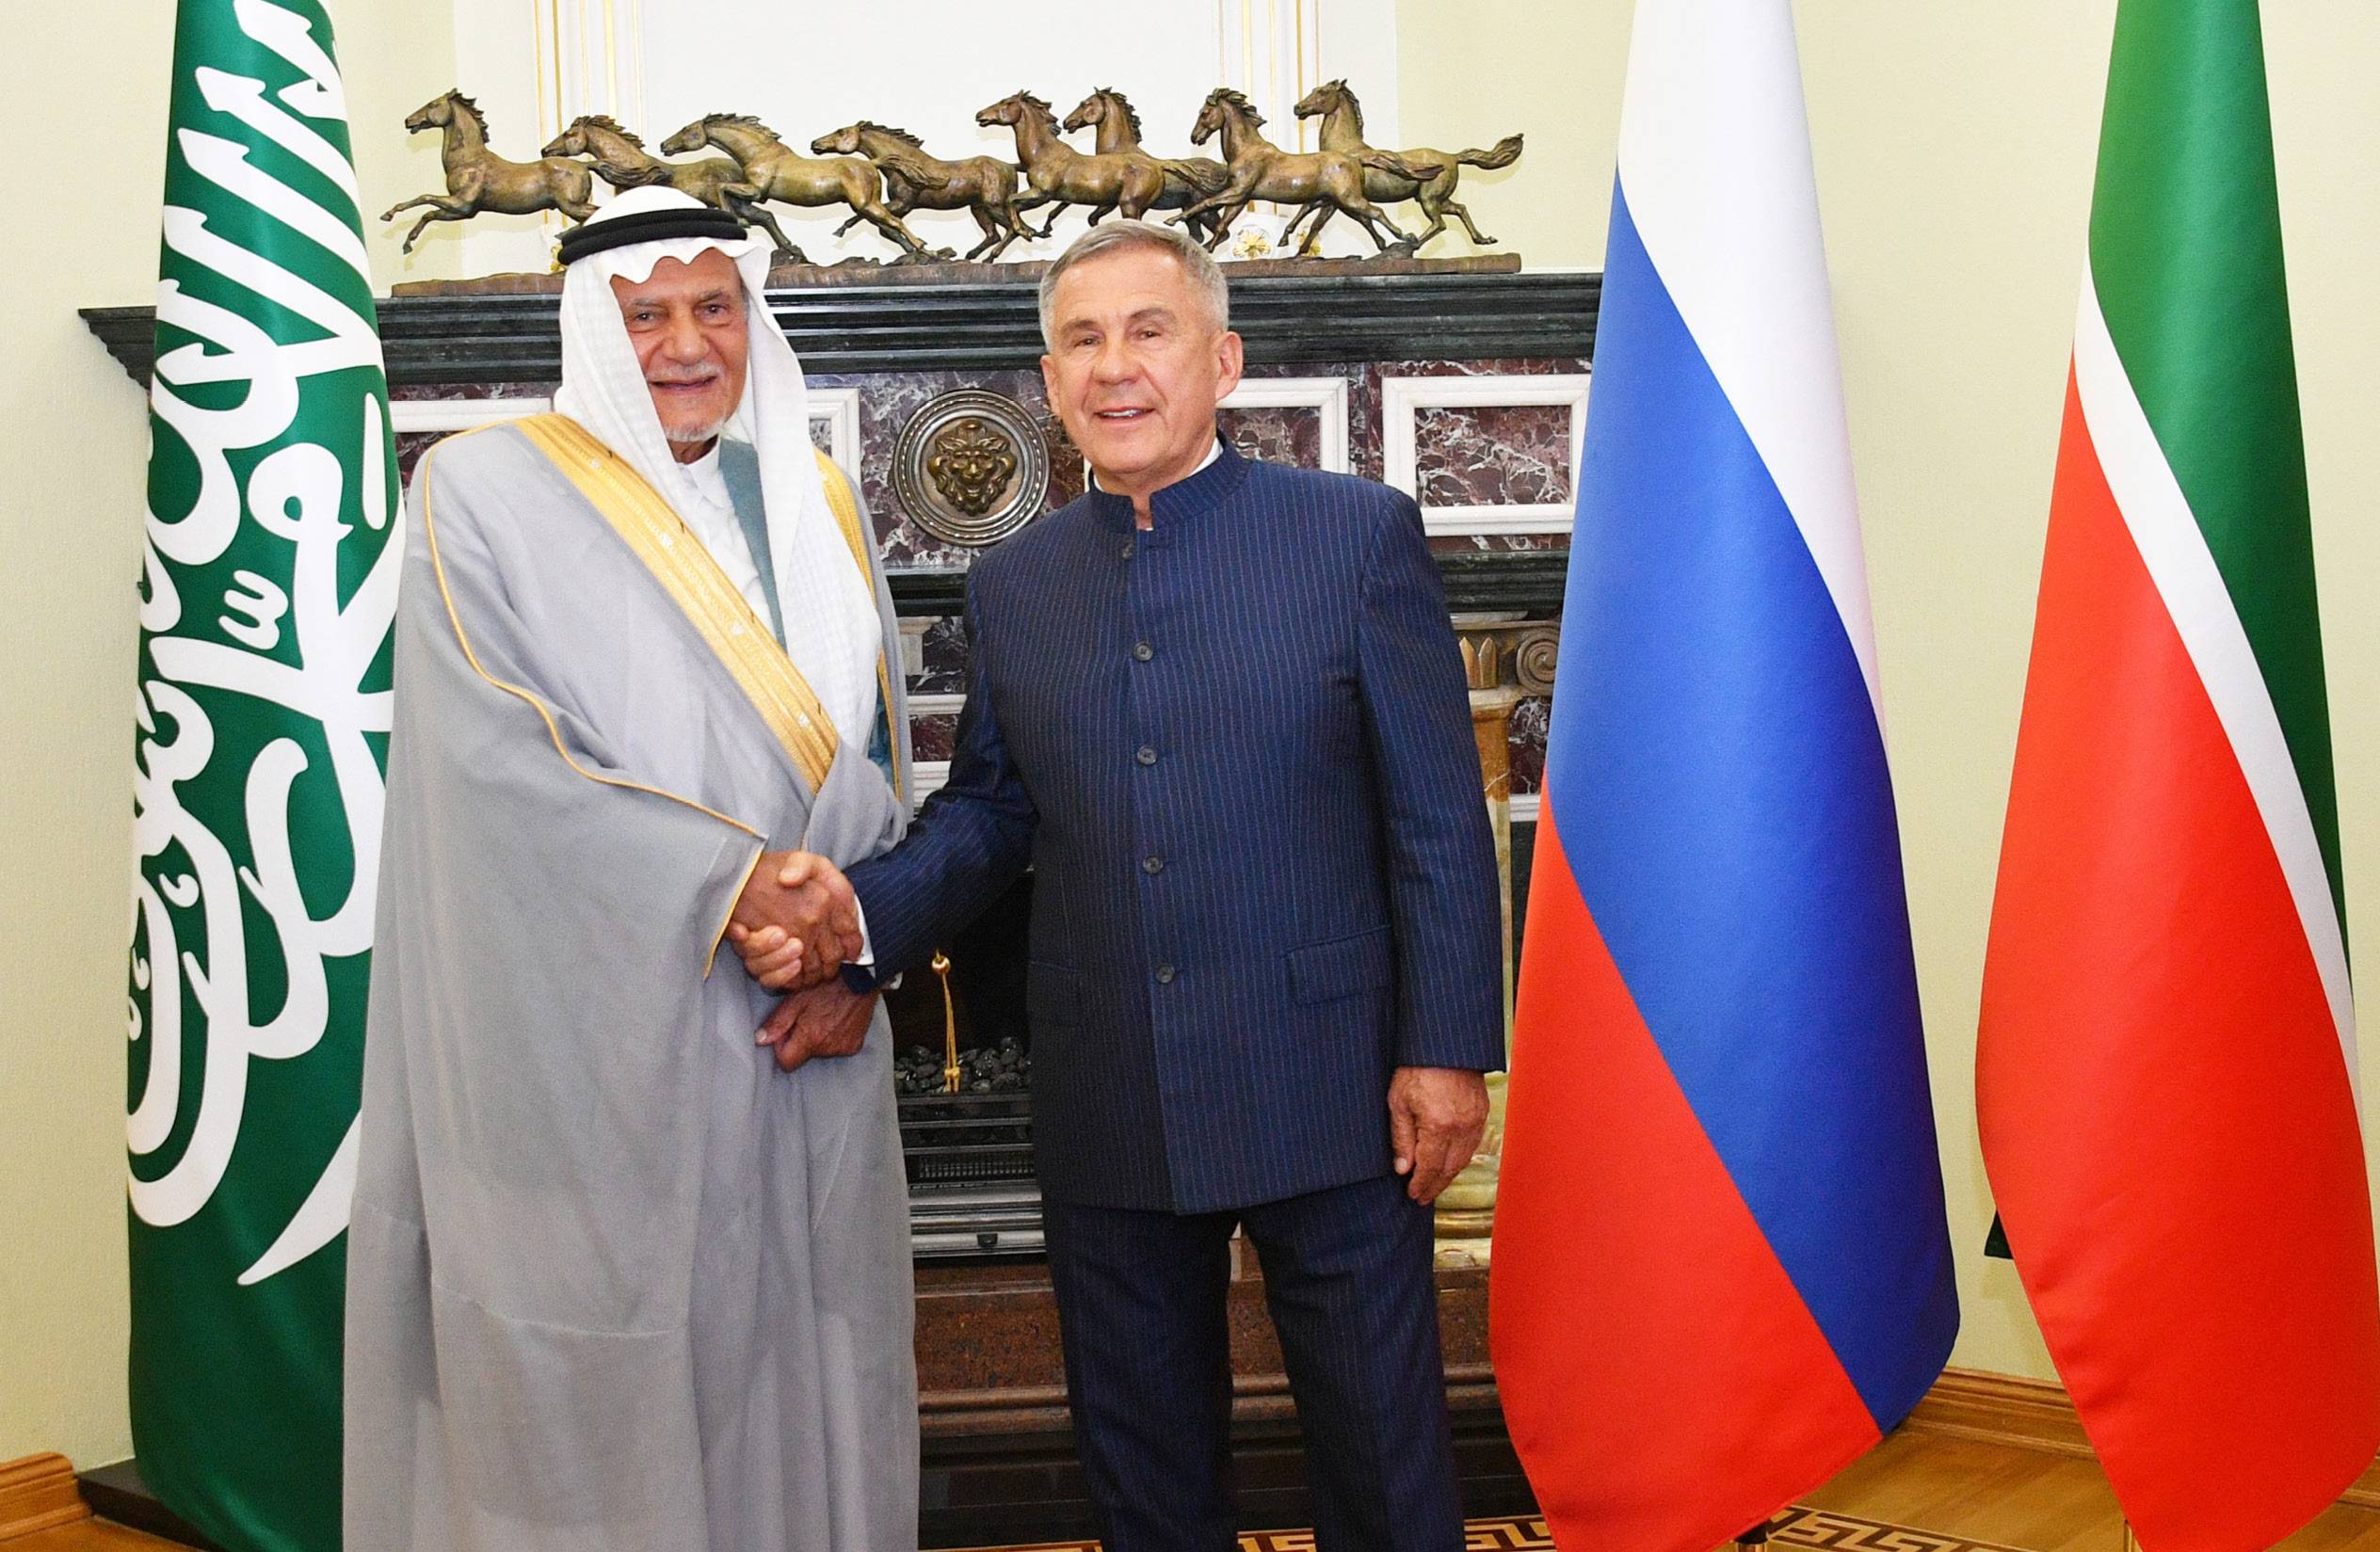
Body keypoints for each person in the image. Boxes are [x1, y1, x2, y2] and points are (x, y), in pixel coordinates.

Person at [742, 219, 1504, 1552]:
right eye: (1082, 341)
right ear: (1050, 383)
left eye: (1149, 331)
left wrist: (1444, 1051)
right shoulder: (1014, 582)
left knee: (1383, 1463)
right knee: (1143, 1478)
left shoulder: (1354, 537)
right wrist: (857, 923)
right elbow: (992, 812)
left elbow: (1437, 816)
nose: (1115, 367)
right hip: (1110, 1091)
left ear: (1223, 360)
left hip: (1331, 1078)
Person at [344, 186, 914, 1552]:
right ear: (593, 331)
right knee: (611, 1382)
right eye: (645, 314)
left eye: (715, 307)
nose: (686, 343)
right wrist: (729, 885)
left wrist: (854, 959)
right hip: (596, 1047)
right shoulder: (481, 491)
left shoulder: (819, 498)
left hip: (811, 1024)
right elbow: (490, 765)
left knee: (813, 1349)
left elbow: (877, 758)